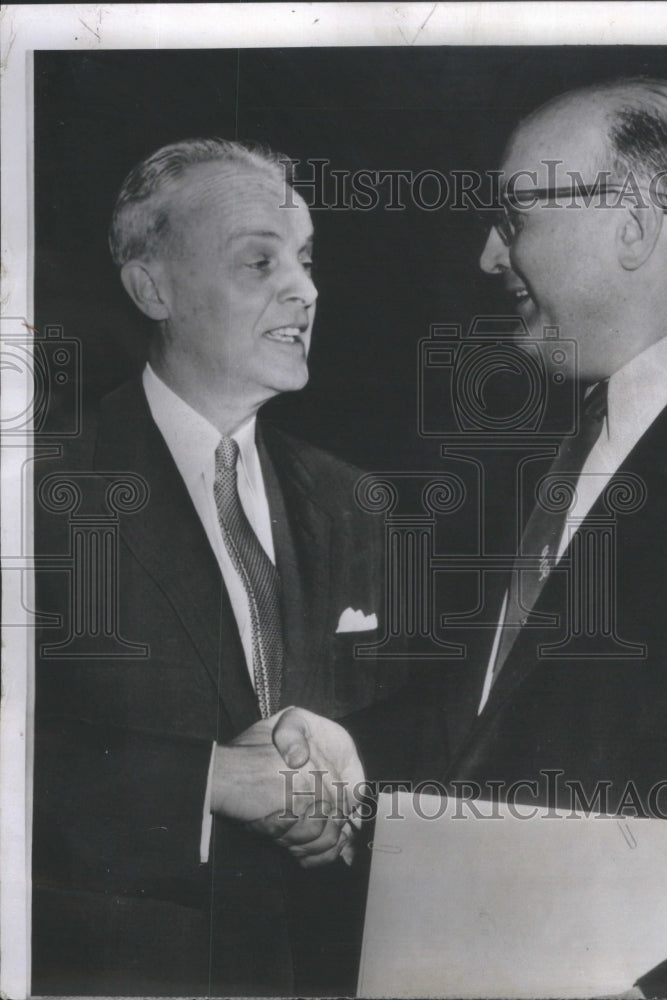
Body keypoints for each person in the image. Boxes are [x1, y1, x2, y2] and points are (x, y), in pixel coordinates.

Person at [270, 78, 667, 996]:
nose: (487, 255)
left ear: (632, 224)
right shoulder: (562, 443)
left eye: (512, 216)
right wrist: (344, 750)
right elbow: (498, 721)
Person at [32, 138, 397, 996]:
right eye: (259, 261)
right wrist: (203, 781)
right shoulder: (40, 495)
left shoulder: (355, 503)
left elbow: (416, 730)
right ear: (152, 288)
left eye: (305, 262)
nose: (304, 289)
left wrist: (350, 784)